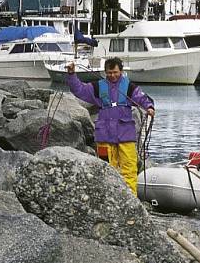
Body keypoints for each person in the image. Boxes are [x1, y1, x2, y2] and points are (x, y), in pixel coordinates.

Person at [66, 57, 155, 195]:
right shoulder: (97, 87)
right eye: (109, 72)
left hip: (126, 136)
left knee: (129, 169)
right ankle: (107, 198)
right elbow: (78, 90)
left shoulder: (130, 87)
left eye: (115, 72)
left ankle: (131, 199)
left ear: (121, 71)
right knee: (105, 168)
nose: (112, 75)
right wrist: (72, 74)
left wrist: (149, 107)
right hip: (104, 136)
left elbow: (143, 98)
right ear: (105, 72)